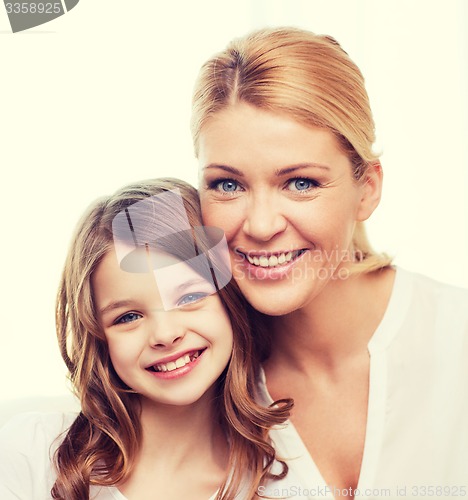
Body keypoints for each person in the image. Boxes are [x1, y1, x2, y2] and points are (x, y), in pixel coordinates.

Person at [191, 27, 468, 499]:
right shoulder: (190, 376)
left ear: (368, 188)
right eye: (228, 185)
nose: (259, 225)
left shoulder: (455, 336)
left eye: (300, 183)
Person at [0, 178, 294, 500]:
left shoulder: (280, 482)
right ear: (98, 338)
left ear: (231, 301)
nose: (166, 335)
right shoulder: (31, 454)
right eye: (128, 317)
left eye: (189, 296)